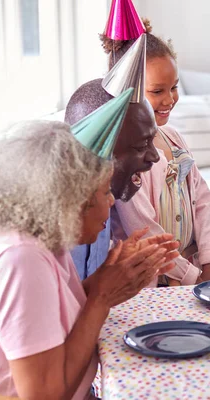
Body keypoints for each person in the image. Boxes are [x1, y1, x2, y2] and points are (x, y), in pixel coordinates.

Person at [0, 121, 178, 399]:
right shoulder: (20, 261)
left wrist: (114, 278)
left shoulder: (44, 238)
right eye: (105, 192)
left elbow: (54, 318)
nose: (112, 202)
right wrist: (101, 297)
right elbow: (45, 395)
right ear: (70, 202)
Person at [101, 20, 210, 285]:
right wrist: (191, 276)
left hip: (190, 275)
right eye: (158, 91)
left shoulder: (174, 138)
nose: (170, 99)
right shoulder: (126, 158)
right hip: (150, 281)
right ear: (127, 91)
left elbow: (202, 201)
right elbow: (144, 230)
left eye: (174, 87)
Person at [64, 78, 160, 279]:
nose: (155, 156)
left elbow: (80, 299)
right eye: (141, 146)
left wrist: (112, 275)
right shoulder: (34, 248)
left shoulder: (98, 205)